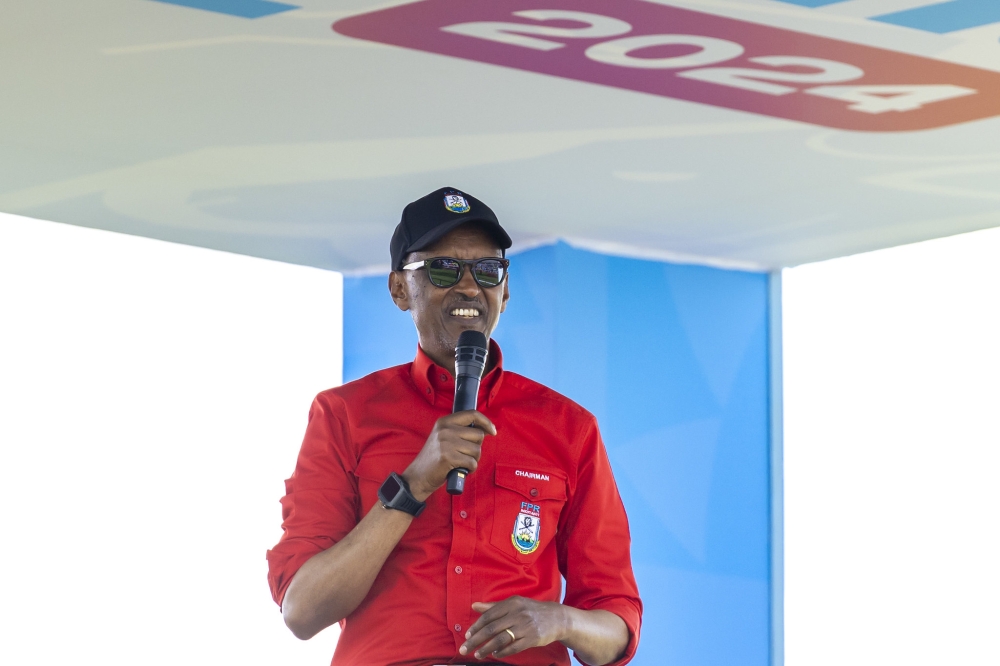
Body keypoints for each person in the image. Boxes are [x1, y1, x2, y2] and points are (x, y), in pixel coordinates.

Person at [266, 188, 642, 666]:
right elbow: (302, 610)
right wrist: (414, 484)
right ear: (400, 289)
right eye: (444, 269)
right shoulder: (344, 415)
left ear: (504, 291)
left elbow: (618, 621)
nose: (469, 287)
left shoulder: (569, 427)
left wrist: (558, 620)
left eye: (488, 271)